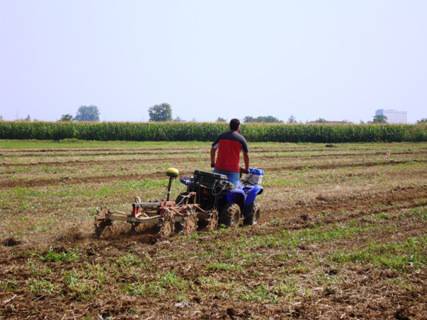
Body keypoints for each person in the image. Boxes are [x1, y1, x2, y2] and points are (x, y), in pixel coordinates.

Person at [210, 118, 249, 186]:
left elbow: (213, 149)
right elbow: (246, 155)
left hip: (219, 167)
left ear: (230, 126)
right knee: (232, 190)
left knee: (216, 189)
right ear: (238, 126)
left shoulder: (222, 136)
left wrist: (213, 162)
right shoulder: (241, 139)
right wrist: (246, 169)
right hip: (233, 170)